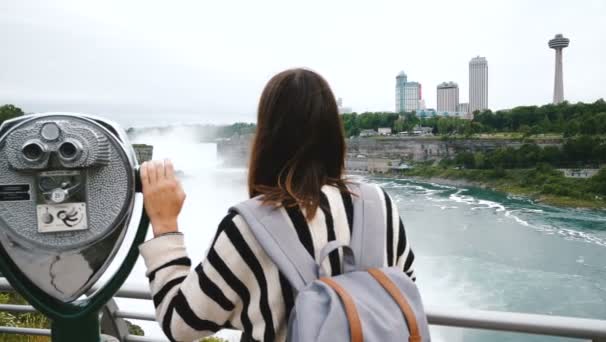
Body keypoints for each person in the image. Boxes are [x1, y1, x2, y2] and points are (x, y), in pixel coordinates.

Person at [138, 68, 416, 342]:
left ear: (266, 137)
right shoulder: (380, 205)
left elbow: (180, 324)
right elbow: (404, 291)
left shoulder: (248, 228)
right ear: (334, 133)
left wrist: (165, 225)